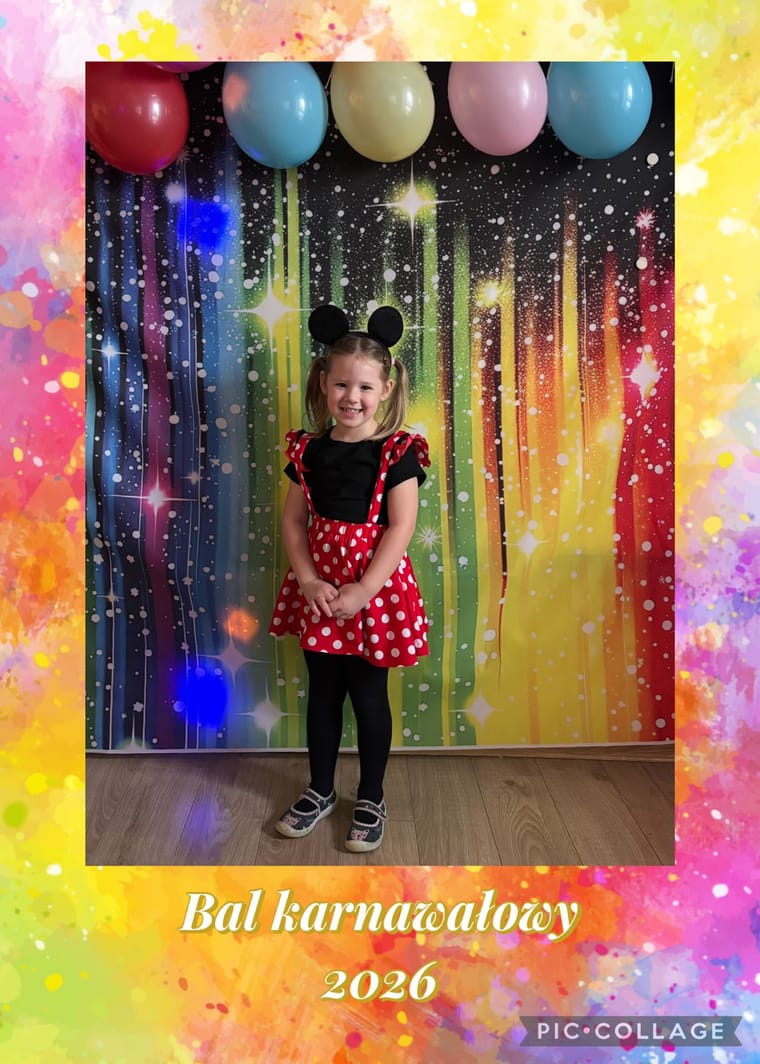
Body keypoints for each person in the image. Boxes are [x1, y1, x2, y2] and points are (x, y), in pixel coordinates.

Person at [268, 303, 429, 852]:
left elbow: (401, 527)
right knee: (323, 694)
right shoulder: (308, 451)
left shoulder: (397, 453)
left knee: (368, 695)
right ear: (323, 383)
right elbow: (294, 522)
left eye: (364, 387)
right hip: (320, 590)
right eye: (341, 384)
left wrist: (363, 590)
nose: (351, 397)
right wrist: (310, 581)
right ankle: (319, 790)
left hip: (372, 594)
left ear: (385, 389)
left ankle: (372, 796)